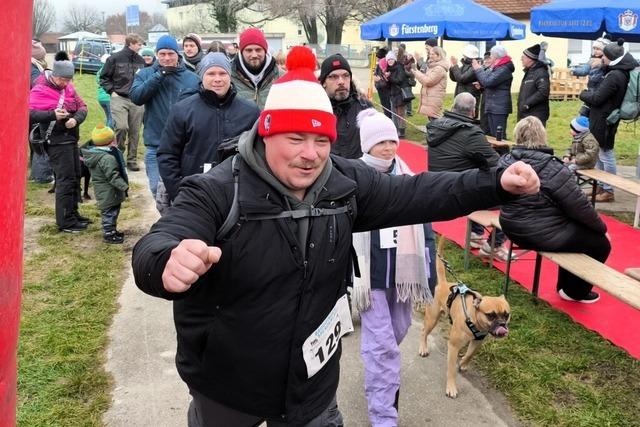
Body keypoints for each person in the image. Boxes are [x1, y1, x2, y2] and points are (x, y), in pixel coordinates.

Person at [131, 45, 540, 427]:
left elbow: (418, 193)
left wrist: (495, 183)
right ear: (265, 134)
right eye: (296, 139)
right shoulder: (219, 189)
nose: (310, 154)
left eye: (321, 140)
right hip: (229, 385)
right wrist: (167, 261)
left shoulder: (345, 182)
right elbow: (160, 241)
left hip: (313, 382)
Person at [353, 108, 437, 427]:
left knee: (397, 332)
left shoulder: (406, 176)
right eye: (381, 142)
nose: (389, 147)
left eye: (392, 140)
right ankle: (383, 414)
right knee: (382, 346)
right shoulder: (356, 178)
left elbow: (424, 224)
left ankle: (379, 381)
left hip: (402, 274)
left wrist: (427, 273)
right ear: (367, 145)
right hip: (371, 274)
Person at [499, 116, 610, 303]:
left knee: (576, 233)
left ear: (517, 136)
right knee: (600, 244)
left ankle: (566, 287)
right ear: (542, 137)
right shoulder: (551, 167)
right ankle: (575, 291)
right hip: (539, 231)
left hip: (512, 226)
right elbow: (579, 206)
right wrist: (602, 229)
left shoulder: (505, 161)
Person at [157, 52, 260, 202]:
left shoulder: (250, 111)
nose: (217, 79)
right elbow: (167, 155)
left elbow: (259, 154)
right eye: (211, 73)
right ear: (202, 76)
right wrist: (178, 192)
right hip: (193, 194)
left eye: (222, 73)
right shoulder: (182, 110)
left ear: (230, 76)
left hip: (237, 194)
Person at [426, 93, 513, 261]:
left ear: (452, 107)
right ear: (473, 112)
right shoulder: (470, 133)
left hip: (437, 184)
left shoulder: (435, 126)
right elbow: (496, 164)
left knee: (481, 181)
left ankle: (475, 233)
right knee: (513, 194)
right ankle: (494, 245)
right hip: (456, 189)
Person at [130, 35, 201, 198]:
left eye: (170, 54)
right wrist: (159, 75)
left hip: (184, 145)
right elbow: (136, 97)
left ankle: (179, 221)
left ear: (178, 54)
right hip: (155, 145)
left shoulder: (192, 79)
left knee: (183, 191)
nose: (167, 58)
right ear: (157, 54)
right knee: (157, 189)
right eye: (162, 54)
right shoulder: (145, 74)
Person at [29, 52, 89, 233]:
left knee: (75, 176)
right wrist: (52, 115)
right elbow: (29, 114)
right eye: (62, 79)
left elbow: (83, 107)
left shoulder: (68, 88)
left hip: (71, 139)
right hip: (55, 141)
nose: (65, 84)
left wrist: (76, 119)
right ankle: (65, 221)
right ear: (53, 75)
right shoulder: (39, 89)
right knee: (64, 180)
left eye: (68, 80)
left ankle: (73, 214)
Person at [579, 39, 636, 203]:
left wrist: (582, 93)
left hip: (605, 120)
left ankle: (608, 190)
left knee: (605, 154)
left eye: (604, 55)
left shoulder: (615, 76)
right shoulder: (619, 71)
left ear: (610, 57)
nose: (601, 58)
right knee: (601, 153)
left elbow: (597, 98)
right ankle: (601, 188)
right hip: (605, 118)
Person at [99, 33, 146, 171]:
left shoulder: (141, 60)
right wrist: (111, 92)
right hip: (119, 97)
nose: (141, 46)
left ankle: (131, 160)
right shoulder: (114, 58)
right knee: (121, 127)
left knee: (135, 131)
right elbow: (104, 77)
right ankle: (118, 155)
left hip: (137, 99)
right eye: (139, 44)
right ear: (130, 43)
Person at [80, 125, 129, 244]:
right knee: (110, 212)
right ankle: (109, 234)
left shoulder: (95, 154)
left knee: (110, 211)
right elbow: (113, 176)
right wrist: (124, 186)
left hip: (103, 190)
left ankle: (112, 231)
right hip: (109, 191)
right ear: (111, 141)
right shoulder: (107, 158)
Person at [319, 53, 371, 158]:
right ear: (324, 82)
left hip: (360, 172)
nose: (341, 82)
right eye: (334, 77)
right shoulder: (316, 110)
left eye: (345, 76)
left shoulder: (365, 108)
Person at [231, 27, 280, 109]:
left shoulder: (281, 76)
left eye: (258, 50)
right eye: (249, 50)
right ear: (241, 52)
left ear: (265, 50)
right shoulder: (229, 77)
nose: (254, 55)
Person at [472, 45, 515, 137]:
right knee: (493, 135)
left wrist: (478, 69)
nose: (489, 57)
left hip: (499, 107)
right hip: (493, 105)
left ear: (496, 56)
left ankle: (503, 151)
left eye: (491, 55)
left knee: (499, 135)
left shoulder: (504, 69)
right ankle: (497, 151)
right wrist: (482, 86)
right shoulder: (497, 67)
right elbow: (489, 81)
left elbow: (488, 81)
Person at [29, 39, 54, 184]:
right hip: (36, 107)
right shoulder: (32, 68)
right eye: (42, 57)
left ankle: (36, 174)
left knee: (35, 141)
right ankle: (41, 176)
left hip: (33, 106)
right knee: (39, 140)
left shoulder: (34, 65)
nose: (44, 60)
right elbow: (37, 84)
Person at [517, 43, 551, 126]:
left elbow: (543, 92)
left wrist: (527, 104)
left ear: (530, 59)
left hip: (535, 116)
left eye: (523, 57)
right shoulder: (529, 71)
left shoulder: (541, 72)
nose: (521, 59)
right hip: (525, 114)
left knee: (534, 138)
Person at [412, 46, 449, 121]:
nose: (430, 56)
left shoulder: (439, 68)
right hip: (431, 98)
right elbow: (425, 78)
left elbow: (428, 81)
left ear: (439, 55)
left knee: (434, 121)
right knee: (431, 120)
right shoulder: (433, 66)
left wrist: (416, 73)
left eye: (433, 54)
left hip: (434, 99)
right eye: (430, 54)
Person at [449, 44, 482, 117]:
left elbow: (461, 79)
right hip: (461, 97)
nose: (463, 56)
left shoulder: (475, 66)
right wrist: (452, 68)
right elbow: (454, 78)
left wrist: (455, 66)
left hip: (469, 99)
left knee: (468, 120)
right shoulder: (465, 65)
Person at [385, 50, 412, 138]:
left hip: (400, 94)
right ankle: (396, 130)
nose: (390, 61)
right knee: (395, 114)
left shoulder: (399, 67)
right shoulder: (389, 69)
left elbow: (399, 80)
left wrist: (390, 77)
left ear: (395, 60)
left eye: (391, 59)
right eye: (388, 60)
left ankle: (402, 132)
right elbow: (389, 84)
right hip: (393, 94)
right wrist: (386, 79)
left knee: (400, 114)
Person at [373, 47, 392, 119]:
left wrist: (379, 79)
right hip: (380, 87)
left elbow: (386, 76)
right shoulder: (379, 64)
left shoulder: (384, 64)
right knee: (385, 105)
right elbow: (376, 74)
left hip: (384, 88)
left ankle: (389, 118)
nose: (377, 59)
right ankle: (387, 116)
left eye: (377, 57)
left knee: (387, 105)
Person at [96, 57, 113, 128]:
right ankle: (108, 135)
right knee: (112, 119)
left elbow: (98, 81)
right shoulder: (110, 70)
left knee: (108, 117)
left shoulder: (100, 71)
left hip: (100, 98)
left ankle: (106, 132)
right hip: (108, 97)